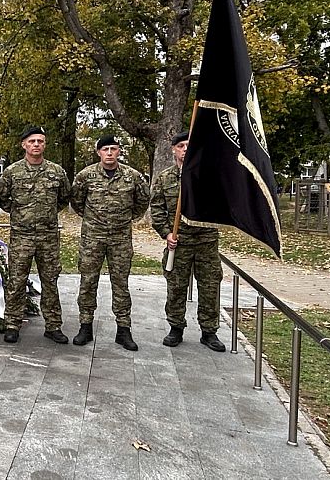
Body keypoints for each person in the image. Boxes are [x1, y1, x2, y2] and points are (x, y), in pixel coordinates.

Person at [70, 135, 150, 351]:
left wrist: (125, 218)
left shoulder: (133, 176)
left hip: (120, 239)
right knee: (88, 282)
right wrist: (93, 219)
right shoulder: (85, 176)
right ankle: (85, 325)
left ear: (119, 151)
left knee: (121, 284)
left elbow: (142, 201)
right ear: (99, 152)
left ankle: (123, 329)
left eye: (113, 149)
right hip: (92, 238)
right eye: (105, 149)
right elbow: (77, 202)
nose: (109, 153)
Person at [149, 131, 225, 352]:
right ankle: (176, 327)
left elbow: (222, 203)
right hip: (179, 242)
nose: (185, 149)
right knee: (176, 287)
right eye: (180, 146)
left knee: (210, 288)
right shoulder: (165, 178)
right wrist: (166, 234)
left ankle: (209, 331)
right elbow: (157, 210)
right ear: (173, 149)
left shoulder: (209, 175)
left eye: (188, 145)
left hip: (205, 241)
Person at [0, 126, 72, 344]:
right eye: (32, 141)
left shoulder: (56, 171)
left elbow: (64, 198)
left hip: (48, 237)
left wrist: (47, 214)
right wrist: (20, 214)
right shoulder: (12, 172)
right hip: (22, 236)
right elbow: (2, 198)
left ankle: (53, 326)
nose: (36, 144)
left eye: (40, 141)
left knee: (50, 281)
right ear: (24, 145)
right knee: (17, 281)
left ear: (45, 144)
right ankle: (12, 324)